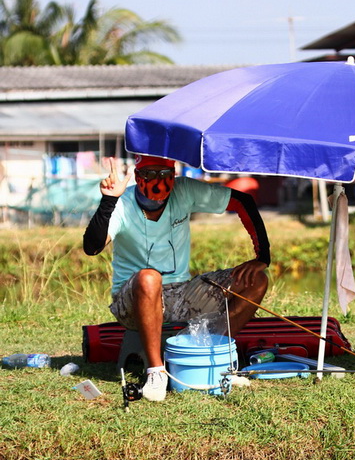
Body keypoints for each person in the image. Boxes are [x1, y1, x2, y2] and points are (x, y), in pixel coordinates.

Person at [83, 155, 270, 402]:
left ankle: (208, 354)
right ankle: (156, 373)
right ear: (138, 176)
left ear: (173, 175)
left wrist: (262, 257)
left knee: (257, 280)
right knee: (150, 277)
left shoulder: (184, 189)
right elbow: (92, 247)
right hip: (132, 299)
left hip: (181, 291)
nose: (157, 182)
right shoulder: (122, 203)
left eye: (164, 174)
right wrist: (108, 201)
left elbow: (241, 200)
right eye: (149, 175)